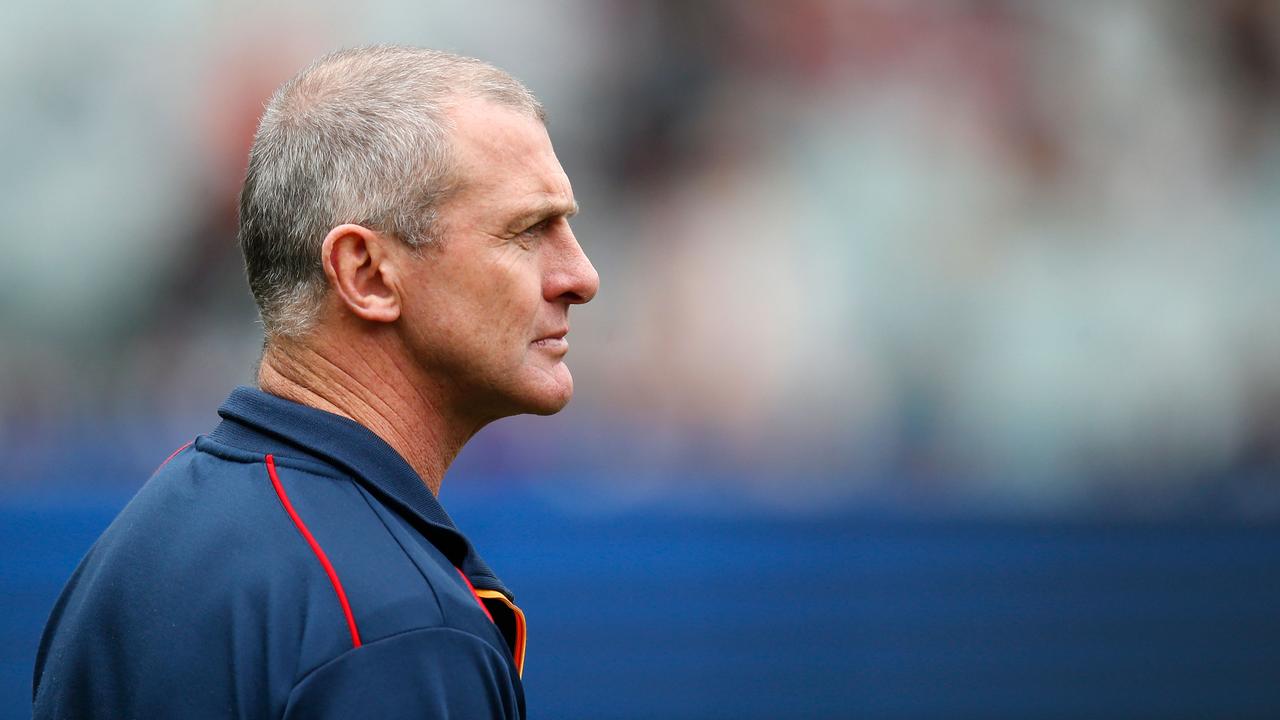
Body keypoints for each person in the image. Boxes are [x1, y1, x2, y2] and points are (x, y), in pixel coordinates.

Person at [32, 45, 598, 719]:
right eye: (527, 231)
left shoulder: (139, 546)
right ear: (365, 273)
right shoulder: (399, 630)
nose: (581, 276)